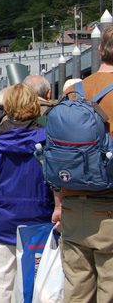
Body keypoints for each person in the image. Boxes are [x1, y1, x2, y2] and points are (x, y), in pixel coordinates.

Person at [0, 83, 54, 303]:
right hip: (40, 216)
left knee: (1, 280)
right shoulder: (47, 139)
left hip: (3, 218)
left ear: (7, 105)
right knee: (40, 279)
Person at [52, 25, 113, 302]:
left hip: (73, 208)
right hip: (109, 209)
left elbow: (57, 153)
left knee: (76, 291)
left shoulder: (73, 93)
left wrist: (59, 204)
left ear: (99, 51)